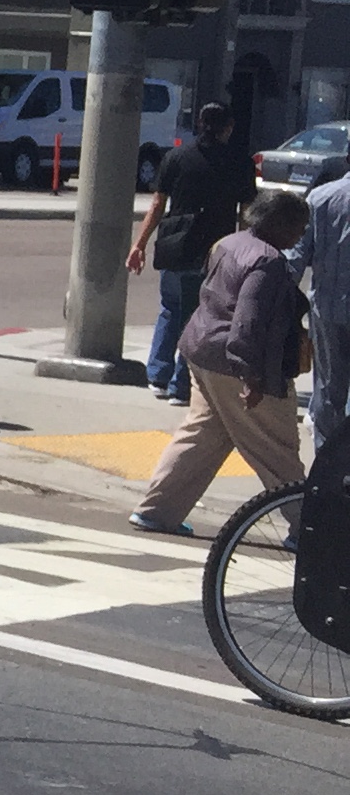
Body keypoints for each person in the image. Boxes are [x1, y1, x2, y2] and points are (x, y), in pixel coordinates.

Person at [132, 188, 310, 535]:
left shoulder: (229, 243)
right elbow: (247, 322)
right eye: (299, 227)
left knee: (202, 434)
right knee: (277, 450)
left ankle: (157, 511)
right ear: (280, 226)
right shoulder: (268, 262)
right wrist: (252, 379)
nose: (302, 234)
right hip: (238, 364)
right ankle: (310, 533)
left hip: (201, 351)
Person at [128, 100, 254, 404]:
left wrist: (139, 245)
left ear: (199, 123)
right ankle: (181, 386)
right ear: (228, 127)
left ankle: (157, 374)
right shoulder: (239, 162)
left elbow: (157, 204)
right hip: (215, 248)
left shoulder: (176, 157)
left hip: (176, 244)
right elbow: (246, 213)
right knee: (200, 315)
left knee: (171, 308)